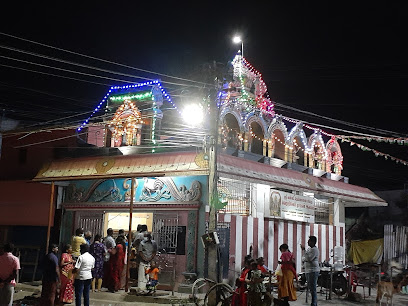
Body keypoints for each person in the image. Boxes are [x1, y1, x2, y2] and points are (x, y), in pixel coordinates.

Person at [301, 236, 320, 306]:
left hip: (313, 271)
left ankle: (314, 303)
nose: (307, 242)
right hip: (308, 270)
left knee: (313, 288)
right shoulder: (309, 249)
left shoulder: (315, 250)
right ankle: (313, 302)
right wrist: (305, 255)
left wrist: (304, 251)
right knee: (310, 287)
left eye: (309, 241)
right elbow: (303, 258)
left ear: (313, 242)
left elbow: (309, 258)